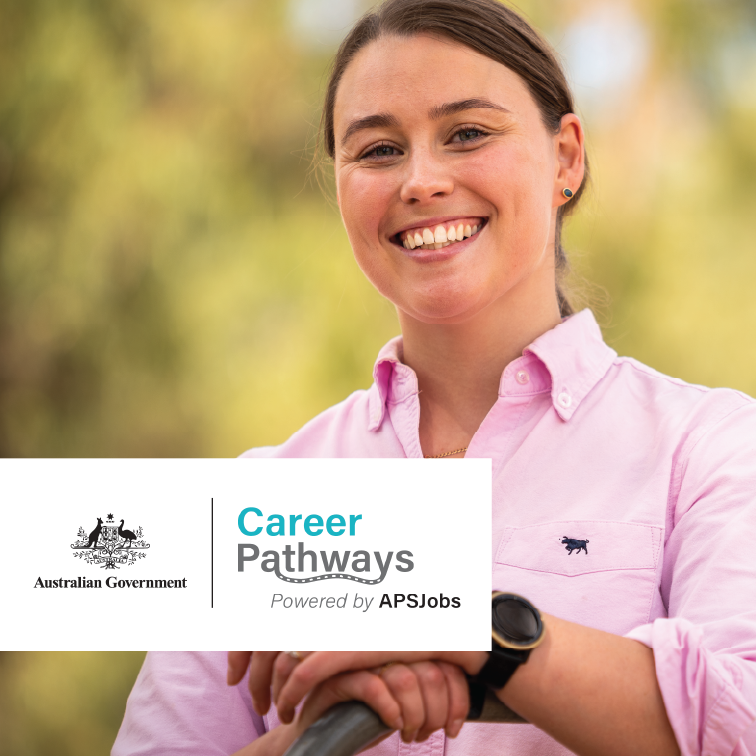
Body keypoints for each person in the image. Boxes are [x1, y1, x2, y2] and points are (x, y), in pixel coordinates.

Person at [112, 1, 756, 754]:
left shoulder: (712, 448)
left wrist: (468, 629)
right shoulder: (254, 505)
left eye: (469, 134)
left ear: (566, 159)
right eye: (378, 150)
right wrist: (321, 729)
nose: (420, 180)